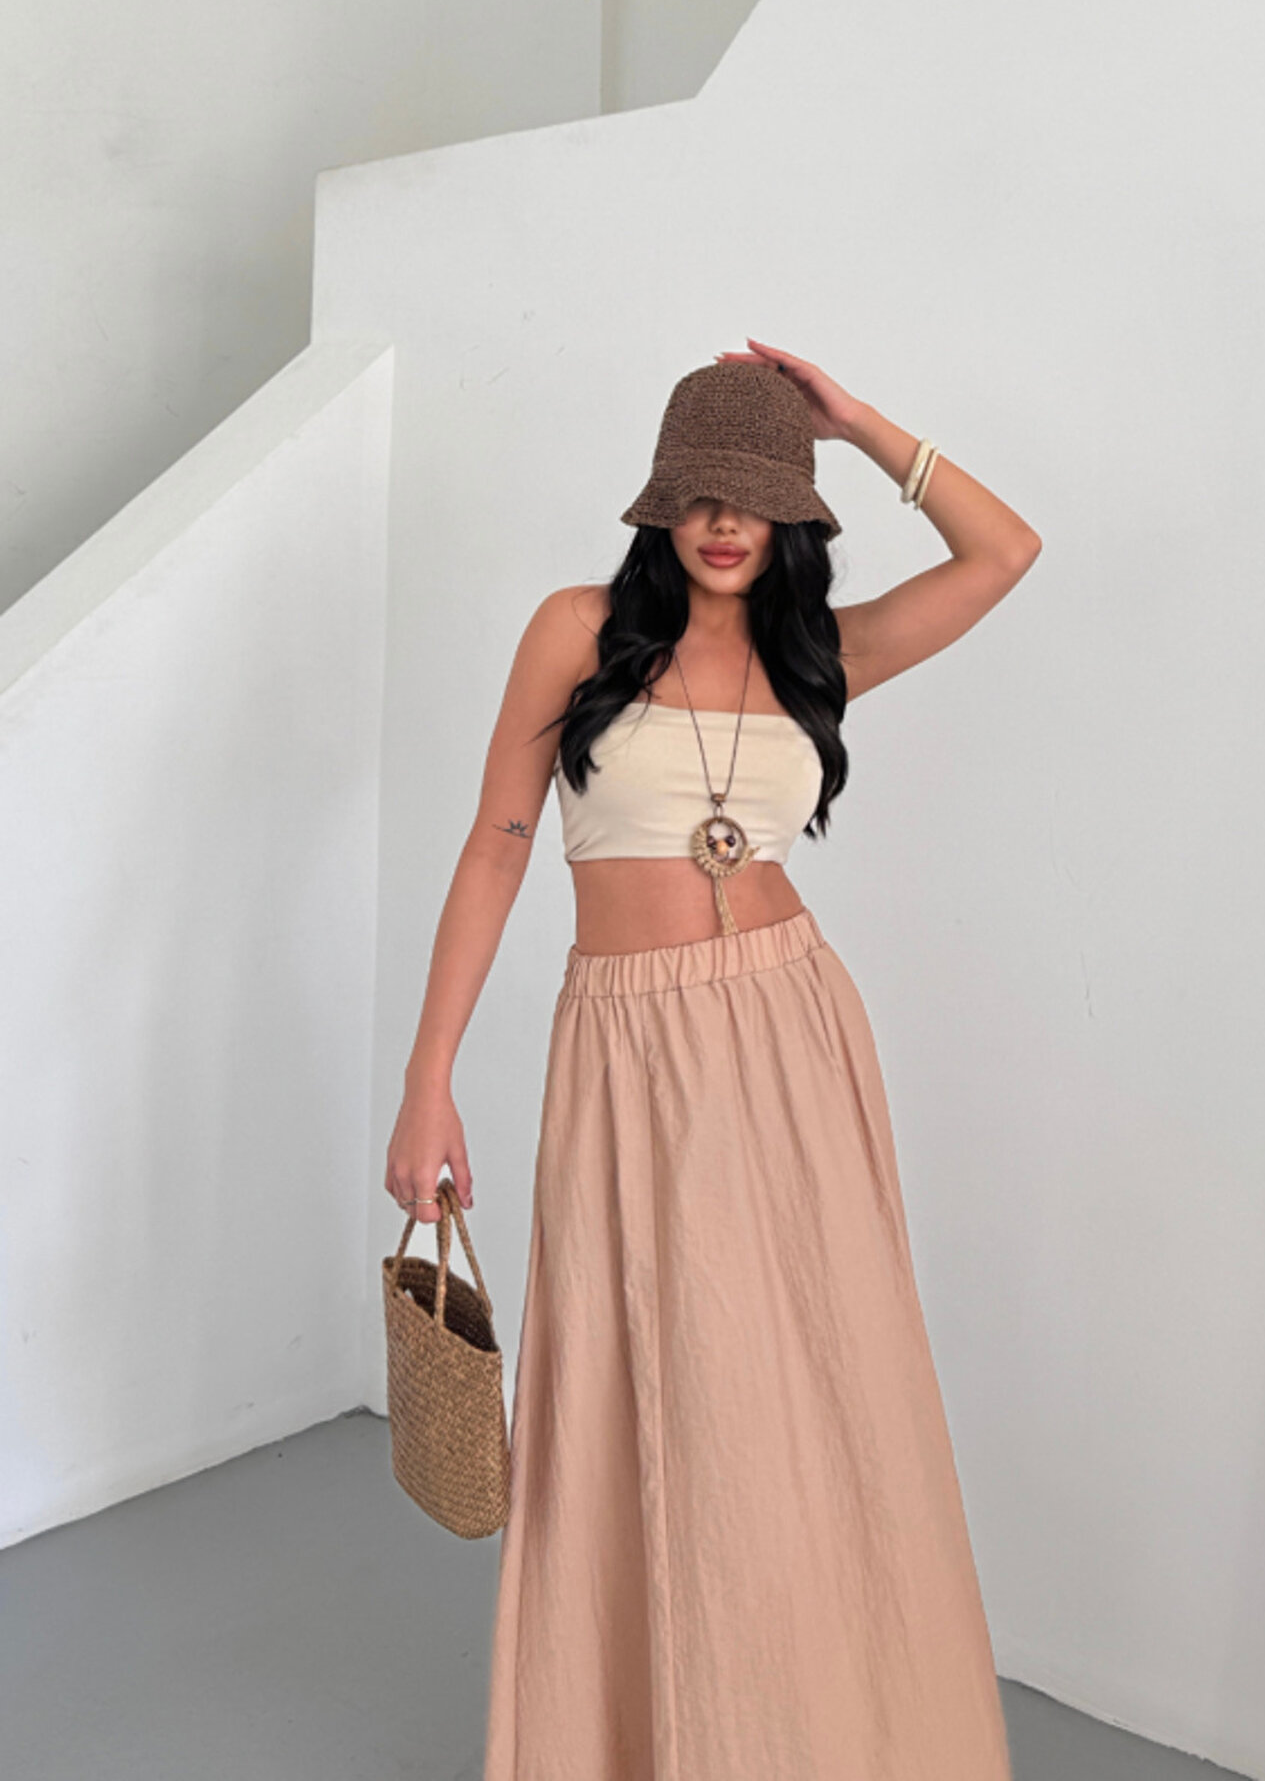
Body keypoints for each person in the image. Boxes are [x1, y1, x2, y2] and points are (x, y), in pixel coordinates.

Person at [385, 337, 1041, 1781]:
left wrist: (856, 424)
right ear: (659, 504)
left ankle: (824, 1731)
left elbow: (1005, 552)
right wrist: (430, 1078)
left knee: (814, 1374)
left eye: (754, 495)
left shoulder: (824, 653)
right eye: (697, 495)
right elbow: (497, 847)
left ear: (793, 508)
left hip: (791, 1030)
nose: (724, 523)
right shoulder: (577, 630)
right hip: (626, 1045)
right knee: (650, 1378)